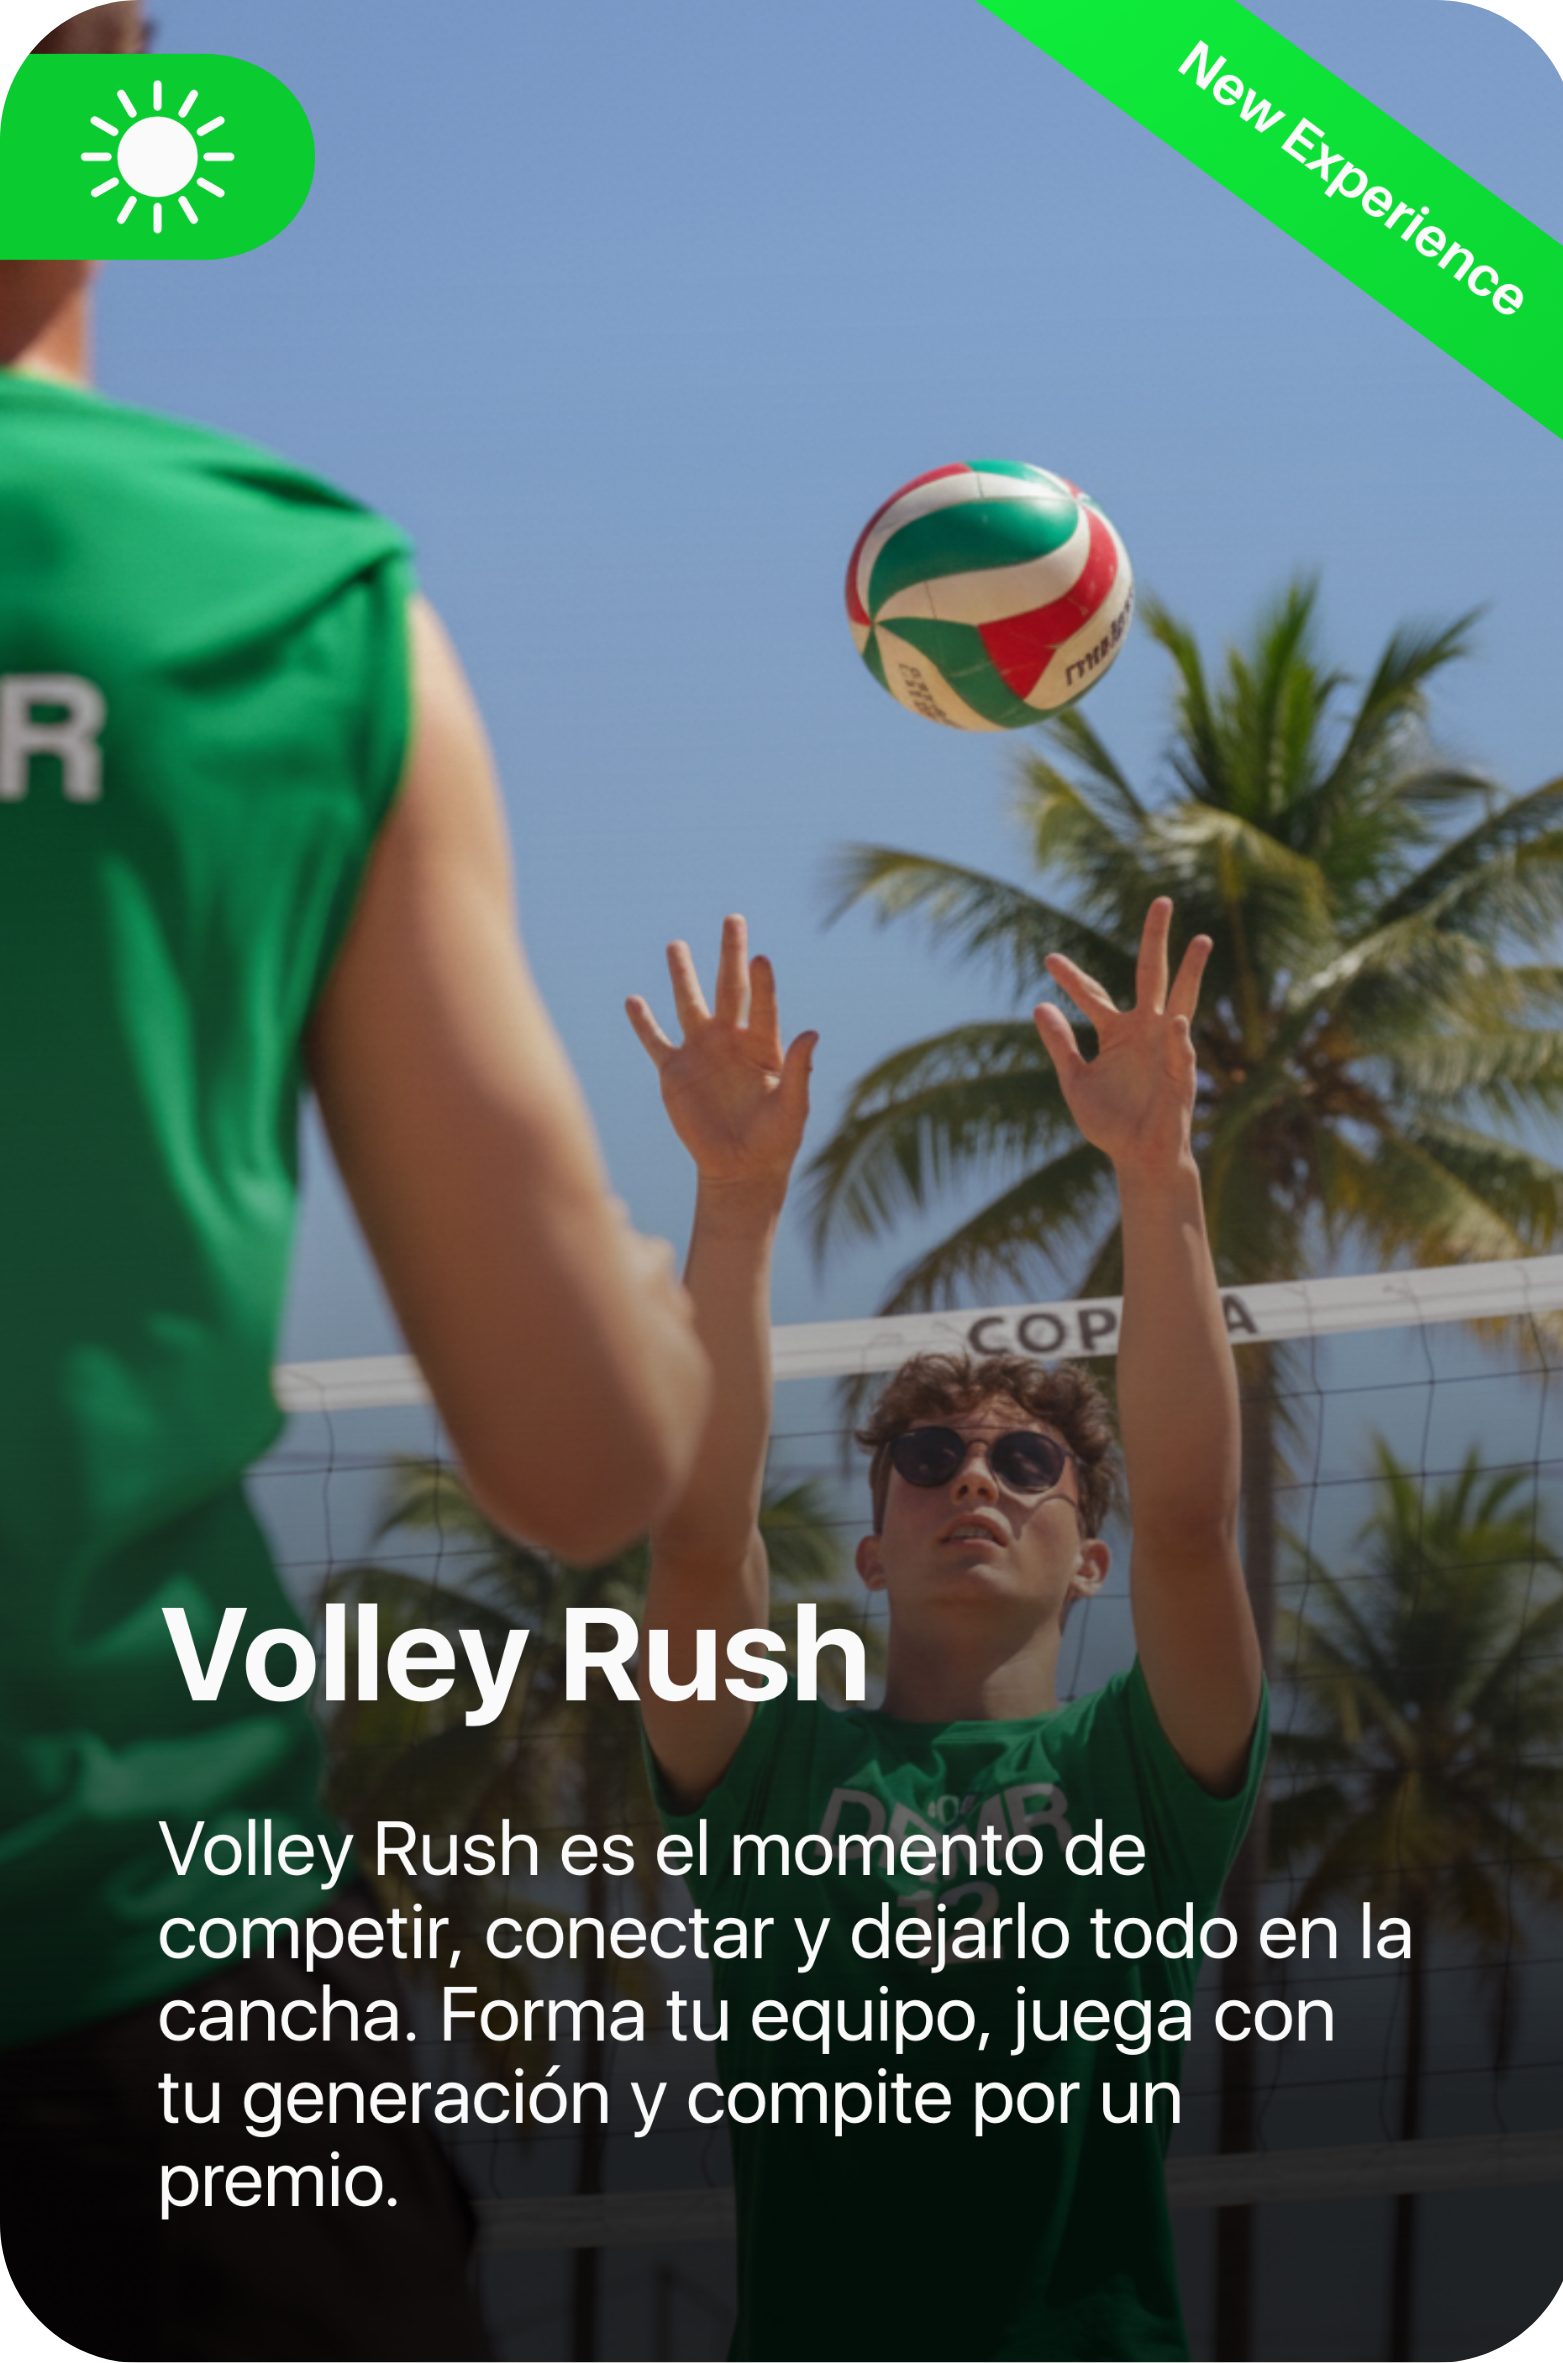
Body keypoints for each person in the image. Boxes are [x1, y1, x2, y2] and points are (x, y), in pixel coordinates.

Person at [0, 8, 710, 2356]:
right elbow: (587, 1457)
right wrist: (673, 1246)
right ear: (110, 69)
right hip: (142, 1978)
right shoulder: (287, 607)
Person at [626, 901, 1267, 2361]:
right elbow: (695, 1537)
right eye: (925, 1459)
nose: (972, 1475)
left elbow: (1186, 1519)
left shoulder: (1138, 1774)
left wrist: (1157, 1174)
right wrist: (733, 1205)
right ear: (869, 1544)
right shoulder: (769, 1766)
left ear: (1085, 1556)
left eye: (1026, 1463)